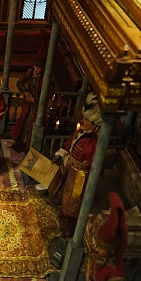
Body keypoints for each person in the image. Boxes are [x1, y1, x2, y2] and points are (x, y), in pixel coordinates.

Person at [48, 92, 103, 228]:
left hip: (80, 178)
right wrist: (59, 156)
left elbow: (97, 167)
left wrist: (86, 170)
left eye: (86, 119)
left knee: (74, 201)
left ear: (94, 125)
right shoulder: (78, 133)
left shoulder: (93, 144)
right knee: (64, 191)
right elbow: (68, 146)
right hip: (70, 169)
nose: (82, 121)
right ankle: (62, 210)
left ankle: (71, 225)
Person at [10, 30, 49, 153]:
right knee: (23, 122)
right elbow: (20, 82)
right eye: (35, 67)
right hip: (28, 104)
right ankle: (20, 143)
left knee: (33, 125)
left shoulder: (46, 79)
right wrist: (26, 92)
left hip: (38, 106)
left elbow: (48, 95)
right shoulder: (30, 72)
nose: (36, 70)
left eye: (38, 68)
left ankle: (30, 147)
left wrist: (35, 100)